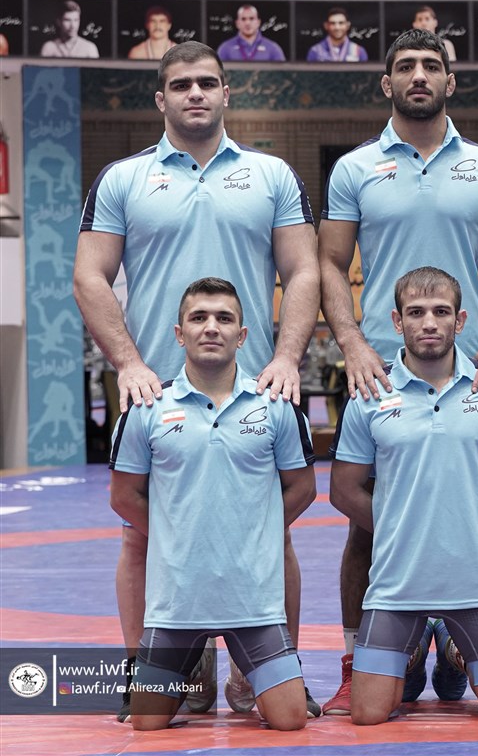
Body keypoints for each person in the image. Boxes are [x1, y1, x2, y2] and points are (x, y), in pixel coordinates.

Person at [73, 41, 320, 721]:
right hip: (155, 392)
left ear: (227, 93)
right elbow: (89, 276)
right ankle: (159, 673)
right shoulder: (124, 179)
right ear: (161, 98)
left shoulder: (271, 175)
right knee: (142, 535)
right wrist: (130, 363)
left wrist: (287, 358)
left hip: (255, 390)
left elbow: (303, 271)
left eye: (207, 82)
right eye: (181, 84)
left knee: (273, 534)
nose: (195, 94)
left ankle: (263, 675)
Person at [317, 28, 478, 715]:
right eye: (405, 66)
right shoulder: (355, 169)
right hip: (380, 368)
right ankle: (362, 657)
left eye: (431, 65)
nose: (418, 75)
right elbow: (328, 263)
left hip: (472, 363)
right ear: (386, 83)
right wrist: (352, 342)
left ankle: (468, 646)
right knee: (364, 526)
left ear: (450, 81)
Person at [109, 278, 316, 731]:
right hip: (176, 603)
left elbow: (303, 489)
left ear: (242, 335)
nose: (210, 327)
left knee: (290, 720)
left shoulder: (276, 404)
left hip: (254, 602)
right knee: (145, 723)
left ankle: (245, 676)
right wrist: (178, 532)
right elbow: (123, 496)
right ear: (179, 333)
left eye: (224, 318)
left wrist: (251, 528)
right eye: (198, 318)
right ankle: (195, 663)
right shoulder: (147, 408)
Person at [328, 267, 478, 725]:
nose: (430, 323)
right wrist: (401, 526)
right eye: (416, 313)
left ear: (461, 320)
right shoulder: (370, 392)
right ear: (397, 322)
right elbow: (343, 489)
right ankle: (417, 651)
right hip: (395, 587)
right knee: (368, 714)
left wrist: (470, 518)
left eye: (441, 312)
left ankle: (449, 656)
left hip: (475, 584)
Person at [217, 5, 286, 62]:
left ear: (258, 22)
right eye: (243, 19)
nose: (247, 23)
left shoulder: (273, 48)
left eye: (251, 18)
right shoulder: (225, 48)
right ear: (237, 23)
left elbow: (282, 73)